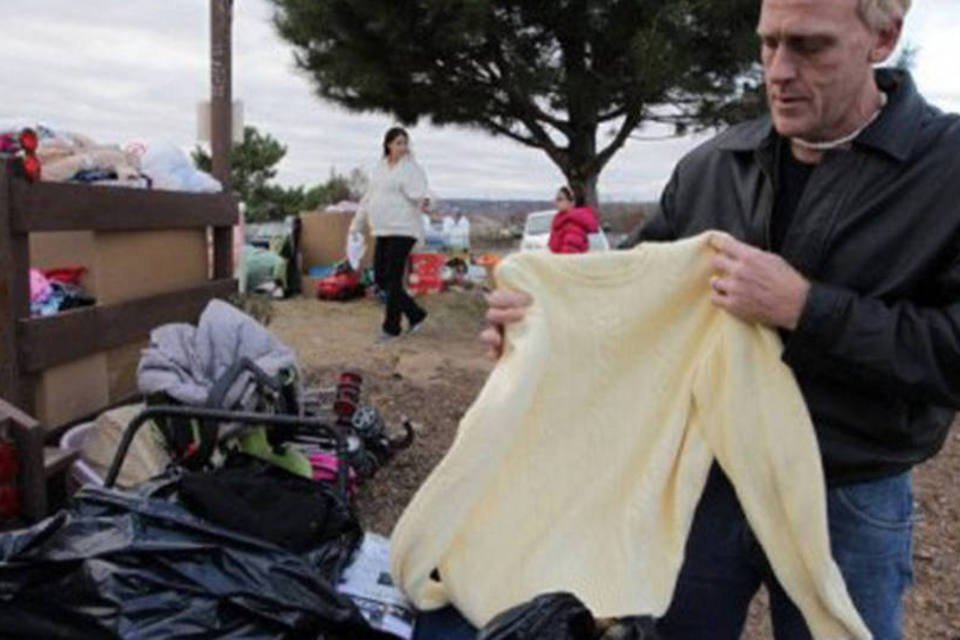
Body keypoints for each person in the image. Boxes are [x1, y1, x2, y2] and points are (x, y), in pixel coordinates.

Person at [478, 0, 960, 638]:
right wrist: (540, 326)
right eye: (768, 45)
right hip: (704, 482)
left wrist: (806, 309)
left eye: (809, 46)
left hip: (847, 489)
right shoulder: (716, 164)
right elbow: (628, 299)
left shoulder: (946, 170)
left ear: (884, 37)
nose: (778, 71)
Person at [350, 127, 429, 340]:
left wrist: (426, 200)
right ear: (388, 144)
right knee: (381, 279)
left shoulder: (412, 169)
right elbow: (368, 199)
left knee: (393, 279)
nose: (403, 147)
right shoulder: (380, 168)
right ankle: (416, 314)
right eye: (398, 143)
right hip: (382, 229)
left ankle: (391, 328)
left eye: (405, 143)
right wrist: (355, 226)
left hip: (404, 229)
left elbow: (422, 194)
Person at [548, 185, 599, 254]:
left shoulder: (573, 226)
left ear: (572, 202)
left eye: (560, 199)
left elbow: (569, 256)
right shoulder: (562, 223)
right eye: (556, 199)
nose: (556, 202)